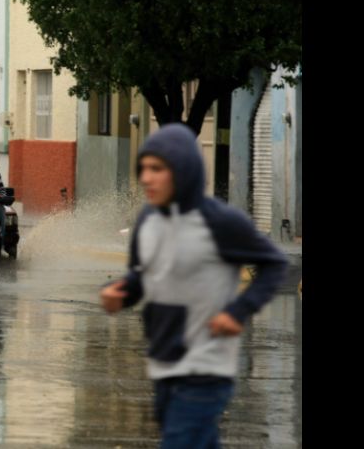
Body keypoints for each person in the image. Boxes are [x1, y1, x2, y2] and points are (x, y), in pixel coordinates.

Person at [99, 123, 287, 448]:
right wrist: (122, 293)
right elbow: (144, 279)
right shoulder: (146, 220)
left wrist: (238, 311)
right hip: (162, 362)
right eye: (143, 169)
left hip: (206, 365)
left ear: (182, 170)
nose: (145, 178)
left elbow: (275, 263)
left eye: (156, 169)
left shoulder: (220, 221)